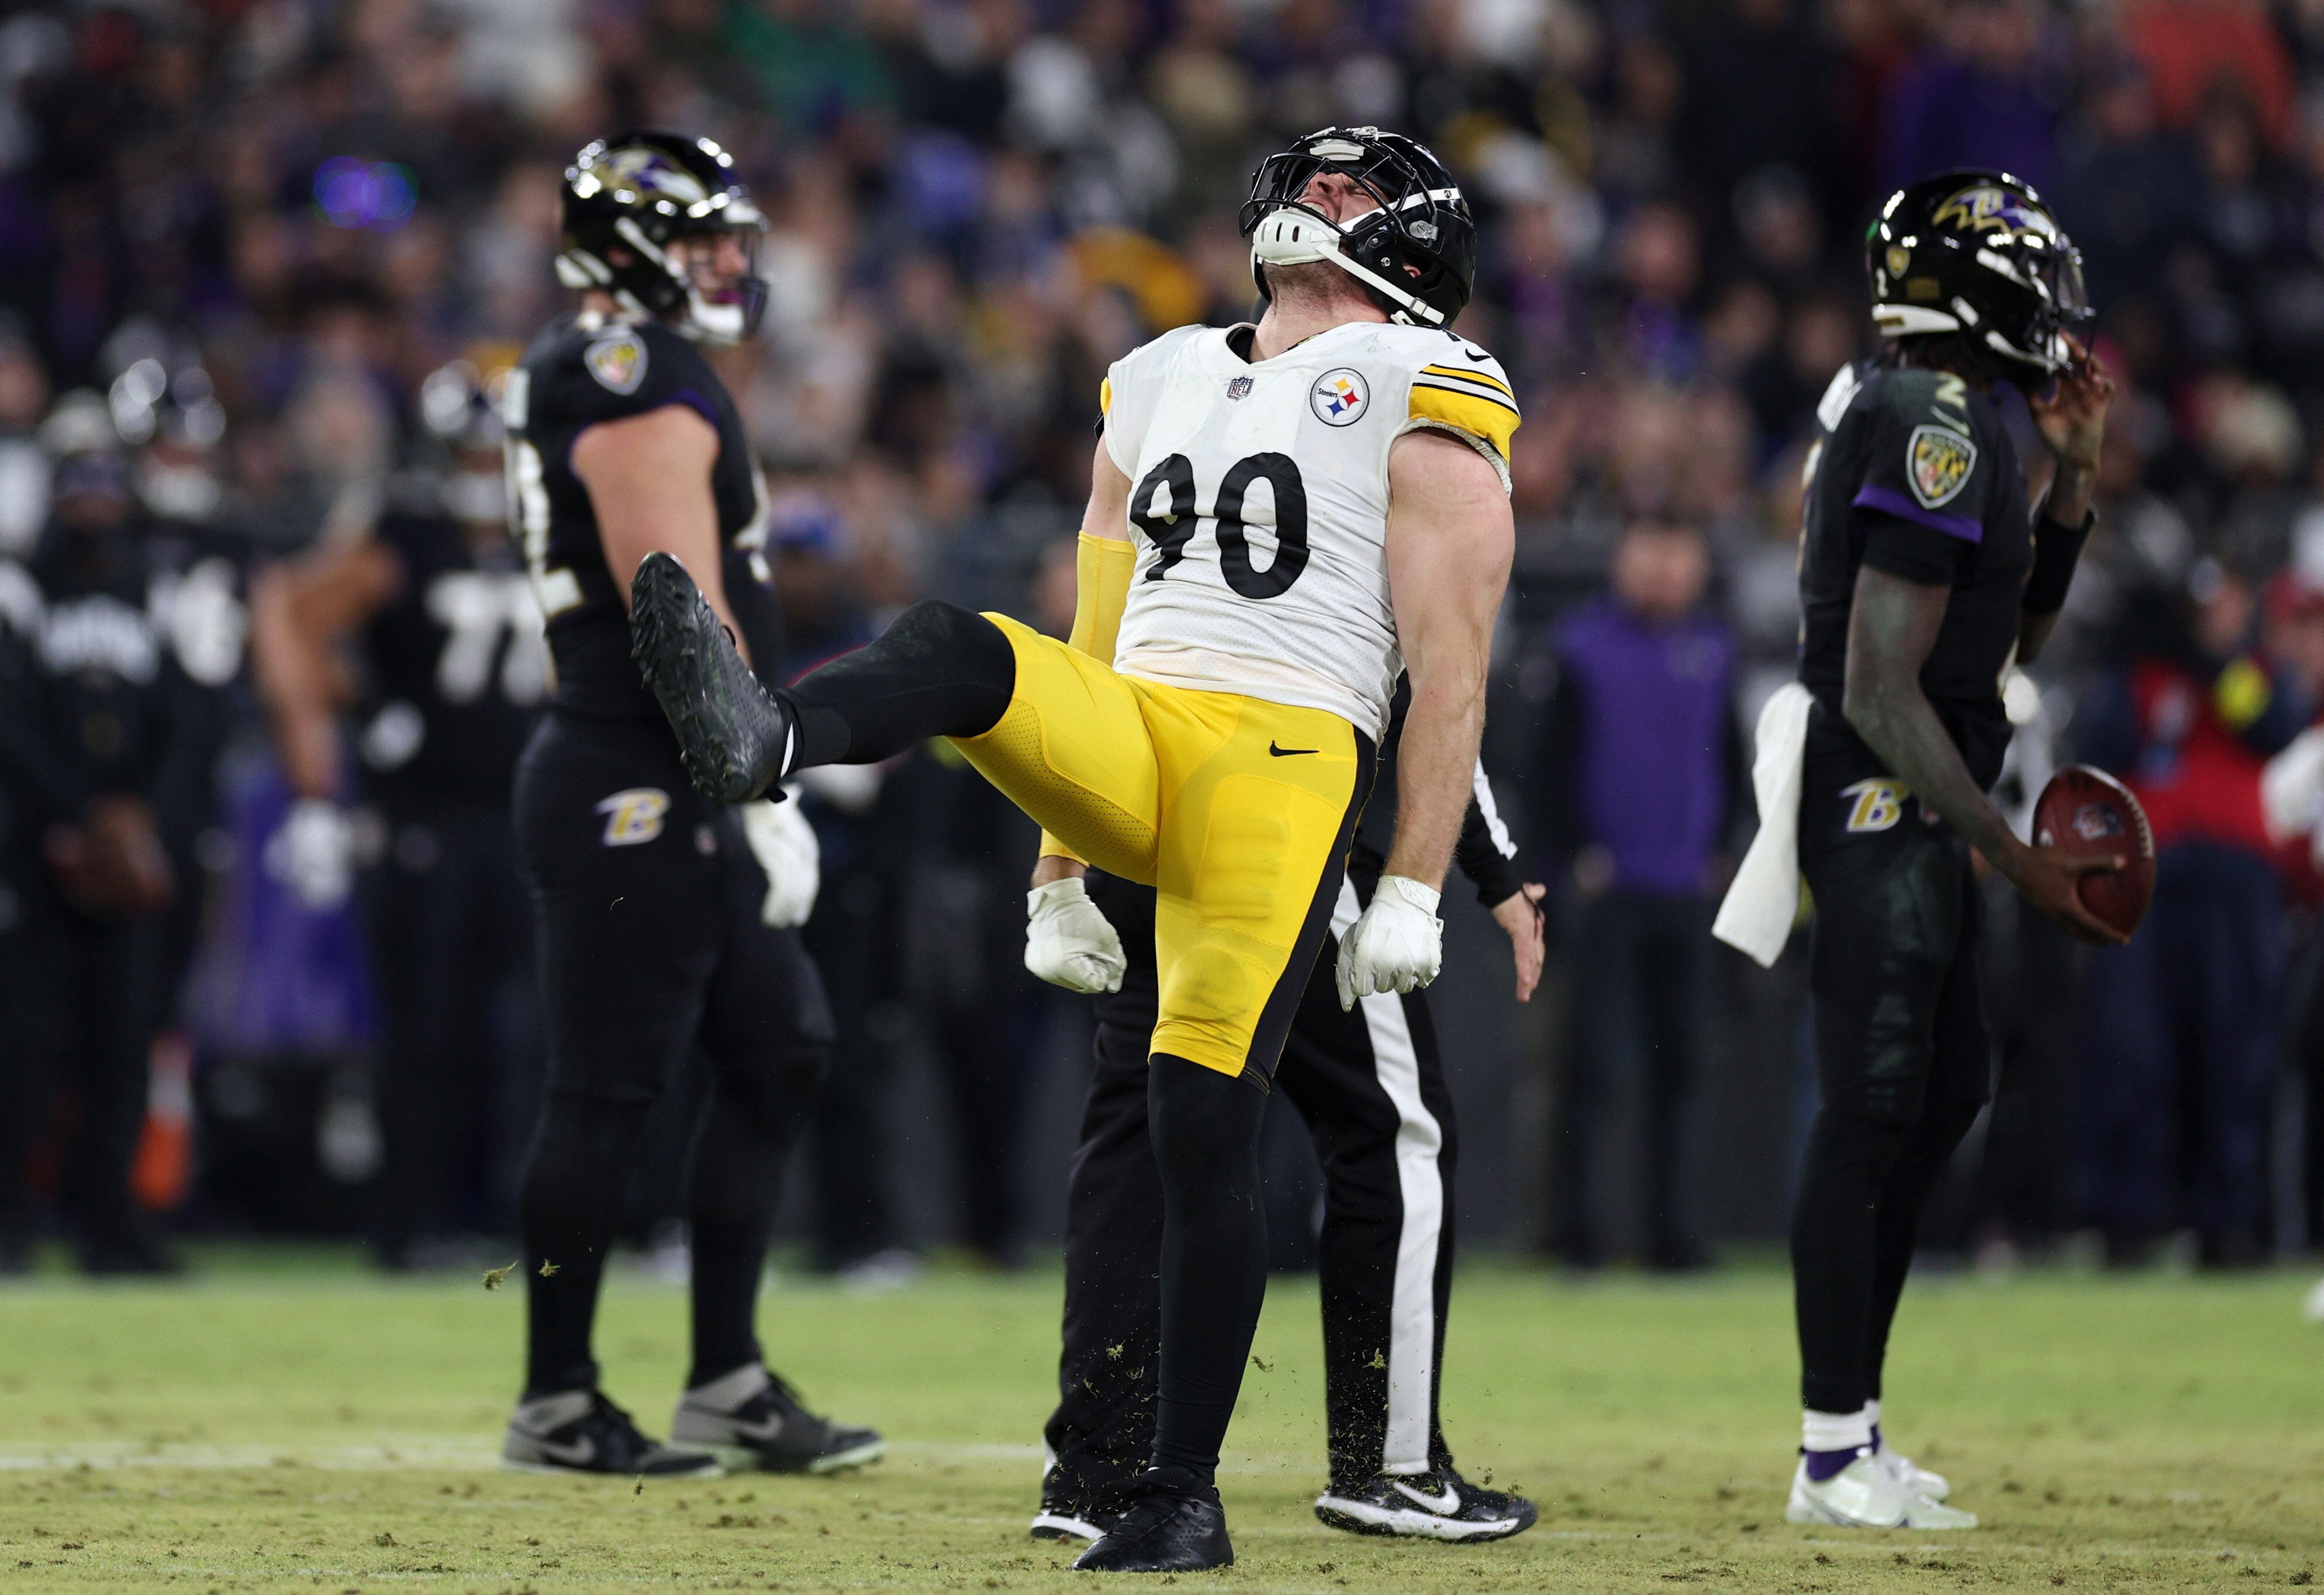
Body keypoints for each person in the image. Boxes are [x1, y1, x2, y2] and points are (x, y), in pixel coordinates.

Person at [629, 125, 1519, 1571]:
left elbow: (1451, 666)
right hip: (1137, 728)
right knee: (960, 642)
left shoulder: (1429, 379)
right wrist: (1056, 863)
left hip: (1285, 765)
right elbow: (1096, 623)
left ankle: (1175, 1490)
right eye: (1309, 177)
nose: (1319, 199)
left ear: (1417, 247)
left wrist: (1415, 879)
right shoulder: (1159, 369)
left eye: (1356, 190)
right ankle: (772, 741)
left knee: (1194, 1117)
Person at [1736, 169, 2120, 1530]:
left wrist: (2070, 484)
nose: (2055, 307)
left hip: (1915, 780)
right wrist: (2012, 857)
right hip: (1881, 785)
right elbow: (1881, 686)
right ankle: (1830, 1448)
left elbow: (1991, 645)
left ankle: (1854, 1430)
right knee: (1872, 1103)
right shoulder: (1929, 412)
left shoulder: (1954, 413)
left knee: (1941, 1087)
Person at [496, 132, 880, 1478]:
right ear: (629, 242)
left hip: (670, 770)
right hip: (633, 775)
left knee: (781, 1047)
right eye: (704, 235)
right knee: (607, 1087)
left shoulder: (637, 366)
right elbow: (677, 597)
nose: (730, 259)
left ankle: (724, 1376)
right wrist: (752, 776)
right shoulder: (628, 371)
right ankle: (556, 1394)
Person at [1032, 705, 1545, 1546]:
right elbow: (1437, 692)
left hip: (1147, 840)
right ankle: (1391, 1463)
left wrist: (1060, 867)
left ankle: (1098, 1471)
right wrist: (1497, 874)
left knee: (1144, 1140)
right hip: (1287, 829)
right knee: (1393, 1130)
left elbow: (1086, 684)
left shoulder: (1147, 563)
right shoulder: (1369, 566)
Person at [248, 360, 549, 1269]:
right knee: (427, 1028)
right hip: (425, 818)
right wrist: (324, 751)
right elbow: (287, 610)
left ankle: (497, 1219)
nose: (480, 463)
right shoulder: (406, 536)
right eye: (468, 445)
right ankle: (408, 1226)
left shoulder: (553, 535)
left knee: (526, 1031)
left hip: (523, 815)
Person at [1539, 517, 1741, 1271]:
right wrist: (1577, 859)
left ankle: (1676, 1238)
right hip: (1609, 890)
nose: (1661, 567)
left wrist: (1720, 852)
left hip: (1686, 891)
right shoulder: (1580, 646)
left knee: (1683, 1070)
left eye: (1676, 550)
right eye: (1648, 550)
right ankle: (1574, 1237)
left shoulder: (1714, 649)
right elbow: (1549, 766)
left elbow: (1729, 759)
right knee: (1589, 1070)